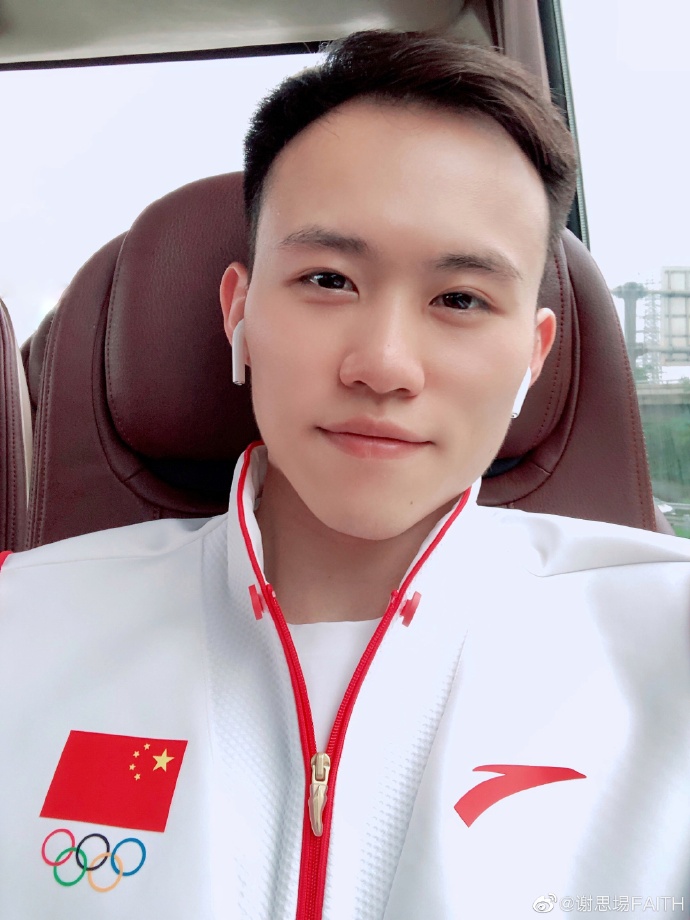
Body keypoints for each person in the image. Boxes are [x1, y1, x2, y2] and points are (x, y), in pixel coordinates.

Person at [1, 29, 689, 920]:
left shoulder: (666, 644)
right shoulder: (24, 625)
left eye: (461, 299)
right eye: (328, 280)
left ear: (533, 353)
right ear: (239, 315)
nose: (384, 365)